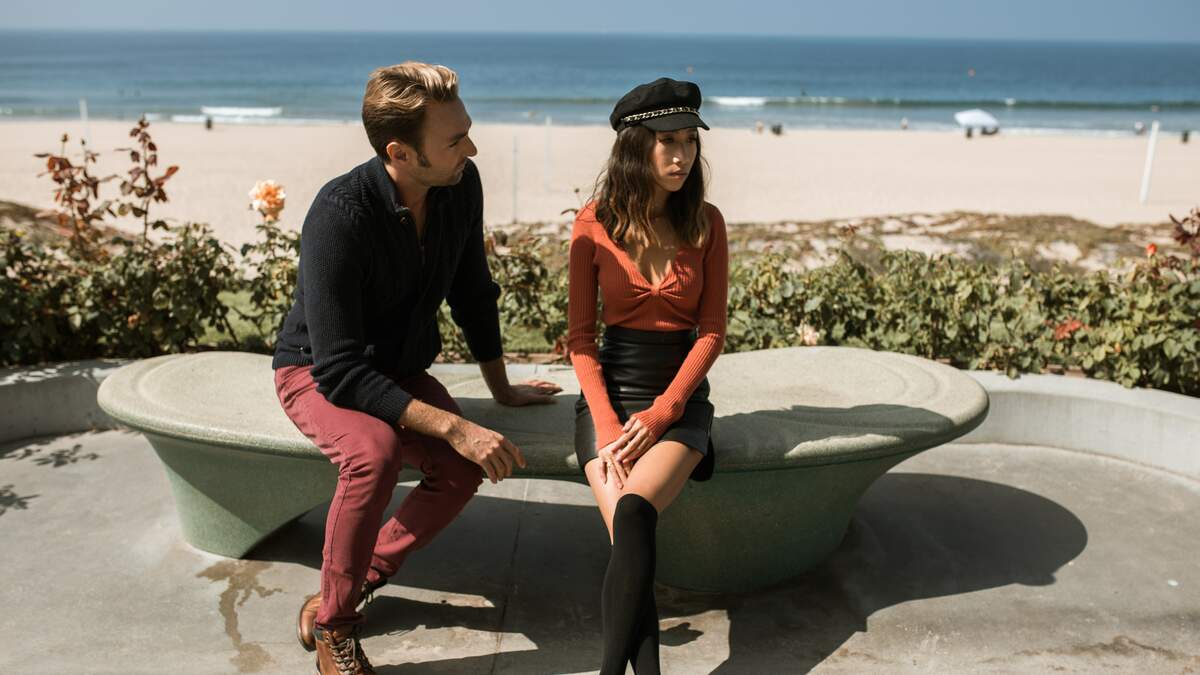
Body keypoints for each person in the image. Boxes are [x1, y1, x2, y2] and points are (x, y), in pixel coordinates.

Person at [272, 61, 561, 675]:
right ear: (399, 153)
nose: (472, 150)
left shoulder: (460, 184)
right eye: (455, 140)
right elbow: (340, 370)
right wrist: (456, 425)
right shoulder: (340, 213)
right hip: (316, 372)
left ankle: (352, 583)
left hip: (398, 371)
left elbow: (473, 291)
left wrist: (501, 390)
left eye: (468, 132)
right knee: (372, 455)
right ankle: (336, 627)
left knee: (461, 468)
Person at [568, 77, 728, 675]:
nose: (682, 155)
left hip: (679, 401)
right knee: (632, 539)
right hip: (609, 398)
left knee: (634, 515)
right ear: (637, 147)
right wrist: (609, 426)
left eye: (690, 140)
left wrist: (664, 411)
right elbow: (581, 340)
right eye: (668, 141)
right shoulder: (592, 223)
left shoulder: (707, 223)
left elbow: (711, 333)